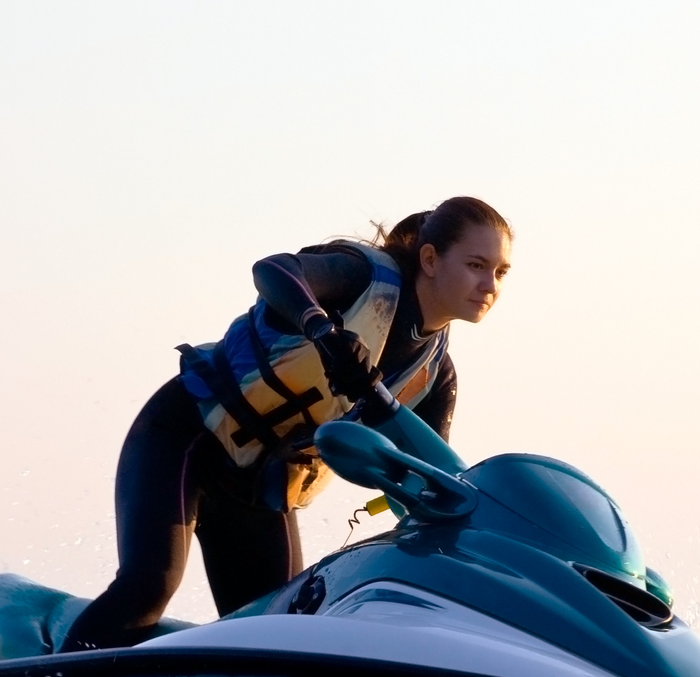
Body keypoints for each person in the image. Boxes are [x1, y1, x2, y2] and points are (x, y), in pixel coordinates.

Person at [57, 196, 513, 652]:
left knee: (279, 636)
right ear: (430, 259)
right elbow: (272, 270)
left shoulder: (434, 375)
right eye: (476, 264)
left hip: (258, 489)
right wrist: (324, 332)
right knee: (147, 587)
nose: (489, 284)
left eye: (500, 272)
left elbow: (430, 482)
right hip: (186, 437)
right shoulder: (364, 279)